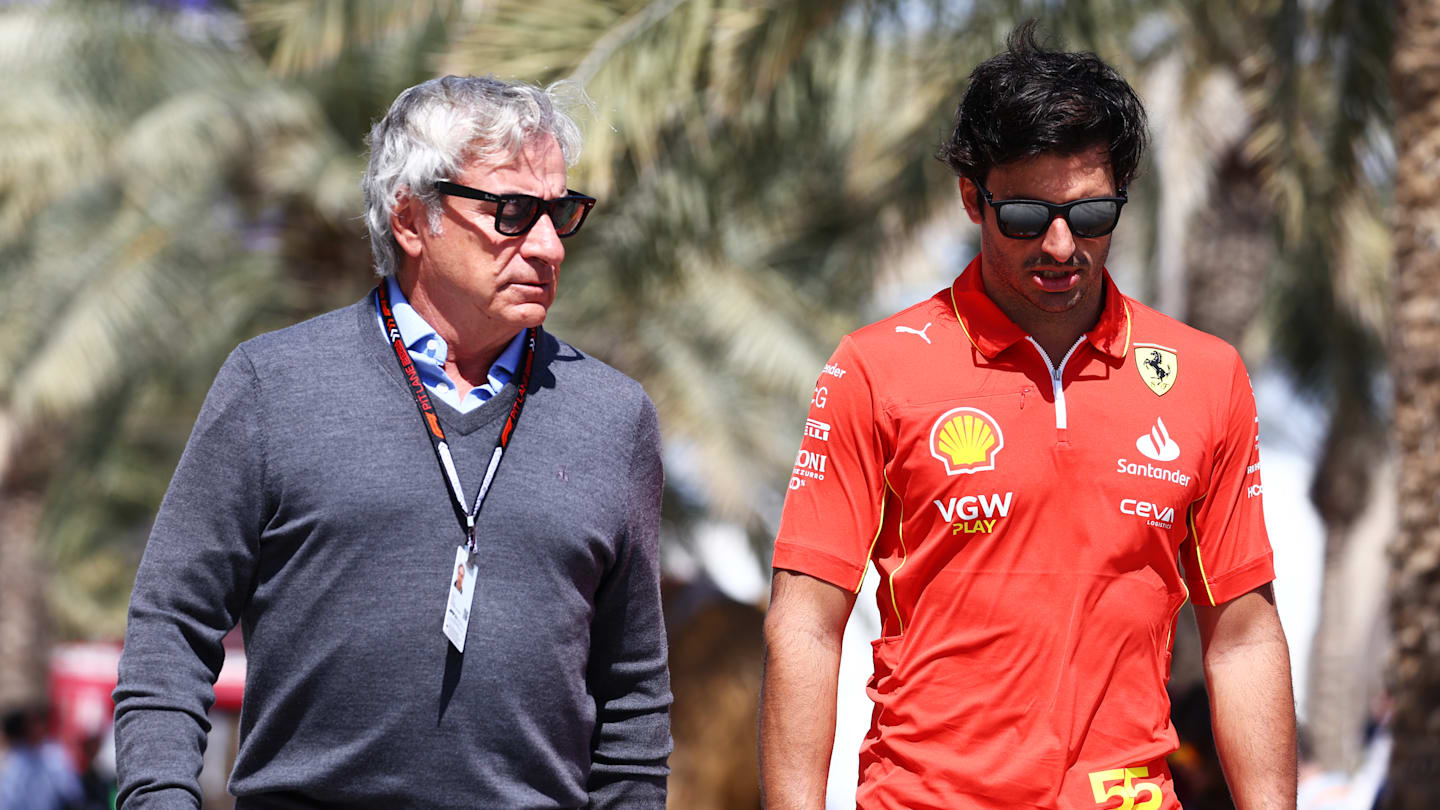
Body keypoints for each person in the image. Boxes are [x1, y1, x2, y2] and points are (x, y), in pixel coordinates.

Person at [760, 22, 1297, 810]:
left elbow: (1245, 636)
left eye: (1089, 217)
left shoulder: (1206, 377)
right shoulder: (874, 368)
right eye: (1023, 217)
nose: (1058, 246)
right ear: (971, 196)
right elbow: (805, 622)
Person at [113, 75, 671, 808]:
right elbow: (169, 631)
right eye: (512, 212)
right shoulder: (272, 385)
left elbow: (632, 702)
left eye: (559, 213)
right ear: (412, 219)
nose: (547, 248)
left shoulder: (613, 417)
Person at [0, 705, 84, 810]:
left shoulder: (55, 754)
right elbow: (7, 801)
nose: (35, 729)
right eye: (31, 725)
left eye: (38, 723)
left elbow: (73, 792)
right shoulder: (15, 760)